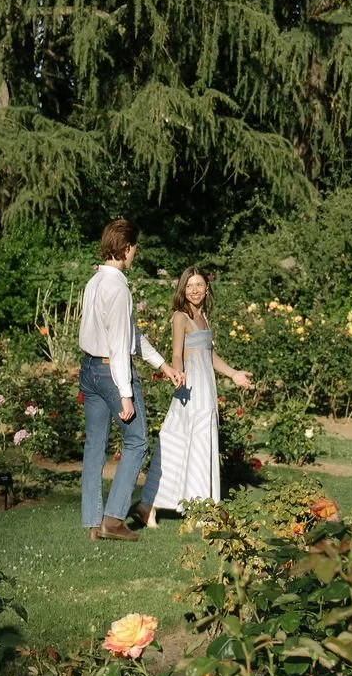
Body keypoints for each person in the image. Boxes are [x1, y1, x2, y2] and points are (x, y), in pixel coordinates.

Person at [76, 219, 176, 541]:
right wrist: (126, 394)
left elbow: (129, 334)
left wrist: (162, 365)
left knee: (95, 446)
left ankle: (93, 524)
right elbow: (120, 345)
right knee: (137, 441)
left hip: (89, 368)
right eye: (135, 249)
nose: (135, 254)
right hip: (111, 372)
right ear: (127, 247)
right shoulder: (118, 288)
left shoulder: (94, 282)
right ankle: (114, 520)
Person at [138, 267, 252, 524]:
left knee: (199, 445)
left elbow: (208, 354)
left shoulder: (204, 317)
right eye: (189, 286)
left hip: (207, 390)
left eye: (199, 285)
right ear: (182, 290)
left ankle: (179, 506)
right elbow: (176, 353)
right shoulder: (181, 317)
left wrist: (233, 374)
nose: (194, 290)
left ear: (207, 288)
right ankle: (156, 505)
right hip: (190, 391)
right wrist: (178, 374)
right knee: (179, 444)